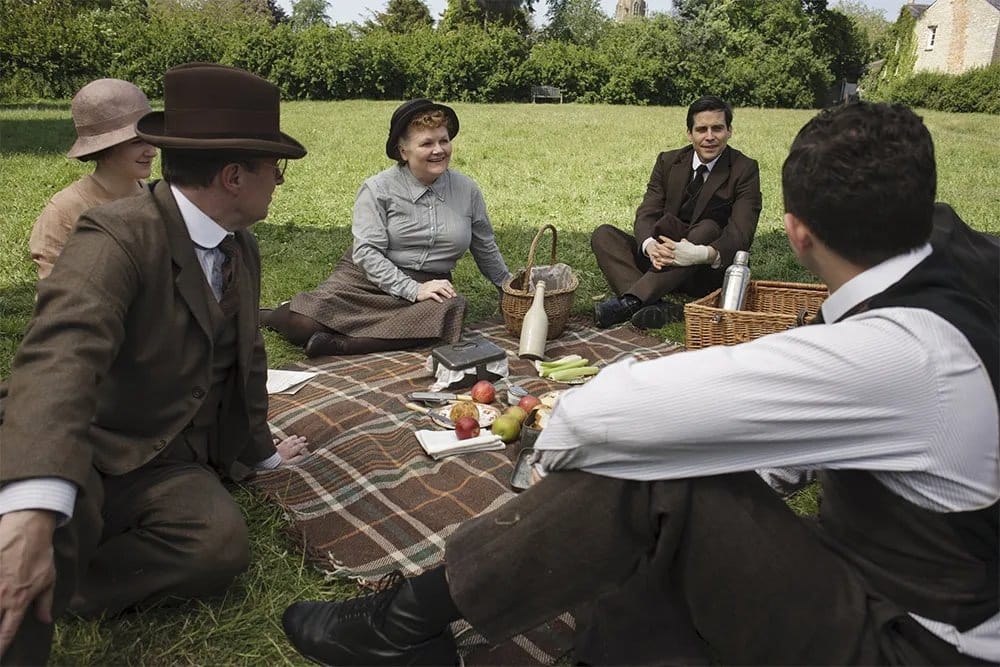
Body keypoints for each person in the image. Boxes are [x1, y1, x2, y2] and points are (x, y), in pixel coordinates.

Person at [279, 102, 998, 666]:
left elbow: (615, 413)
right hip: (911, 588)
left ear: (797, 233)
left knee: (651, 462)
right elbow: (793, 452)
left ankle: (404, 619)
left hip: (919, 643)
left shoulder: (903, 352)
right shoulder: (960, 285)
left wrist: (553, 433)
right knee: (679, 470)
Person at [0, 63, 311, 665]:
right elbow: (59, 356)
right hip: (88, 445)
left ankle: (73, 585)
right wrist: (35, 503)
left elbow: (245, 357)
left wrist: (260, 449)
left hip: (166, 464)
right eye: (277, 166)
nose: (279, 178)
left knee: (217, 545)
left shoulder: (239, 241)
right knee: (47, 535)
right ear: (233, 176)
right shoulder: (116, 234)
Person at [261, 98, 510, 357]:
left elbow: (484, 245)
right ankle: (269, 316)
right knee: (303, 325)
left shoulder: (466, 190)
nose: (439, 150)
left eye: (443, 140)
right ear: (404, 151)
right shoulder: (378, 189)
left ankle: (343, 345)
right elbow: (367, 254)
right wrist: (413, 289)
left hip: (430, 285)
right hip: (367, 280)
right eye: (427, 143)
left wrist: (507, 286)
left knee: (450, 309)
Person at [591, 95, 762, 329]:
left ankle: (631, 301)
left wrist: (701, 254)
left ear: (729, 131)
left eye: (717, 129)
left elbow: (741, 232)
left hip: (702, 269)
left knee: (708, 227)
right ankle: (661, 307)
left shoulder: (745, 169)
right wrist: (650, 246)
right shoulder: (668, 161)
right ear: (690, 133)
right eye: (702, 129)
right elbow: (647, 213)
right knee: (604, 235)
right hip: (659, 260)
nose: (709, 137)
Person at [30, 78, 158, 280]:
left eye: (151, 140)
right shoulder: (65, 211)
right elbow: (55, 296)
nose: (152, 152)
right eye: (137, 142)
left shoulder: (156, 200)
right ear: (105, 148)